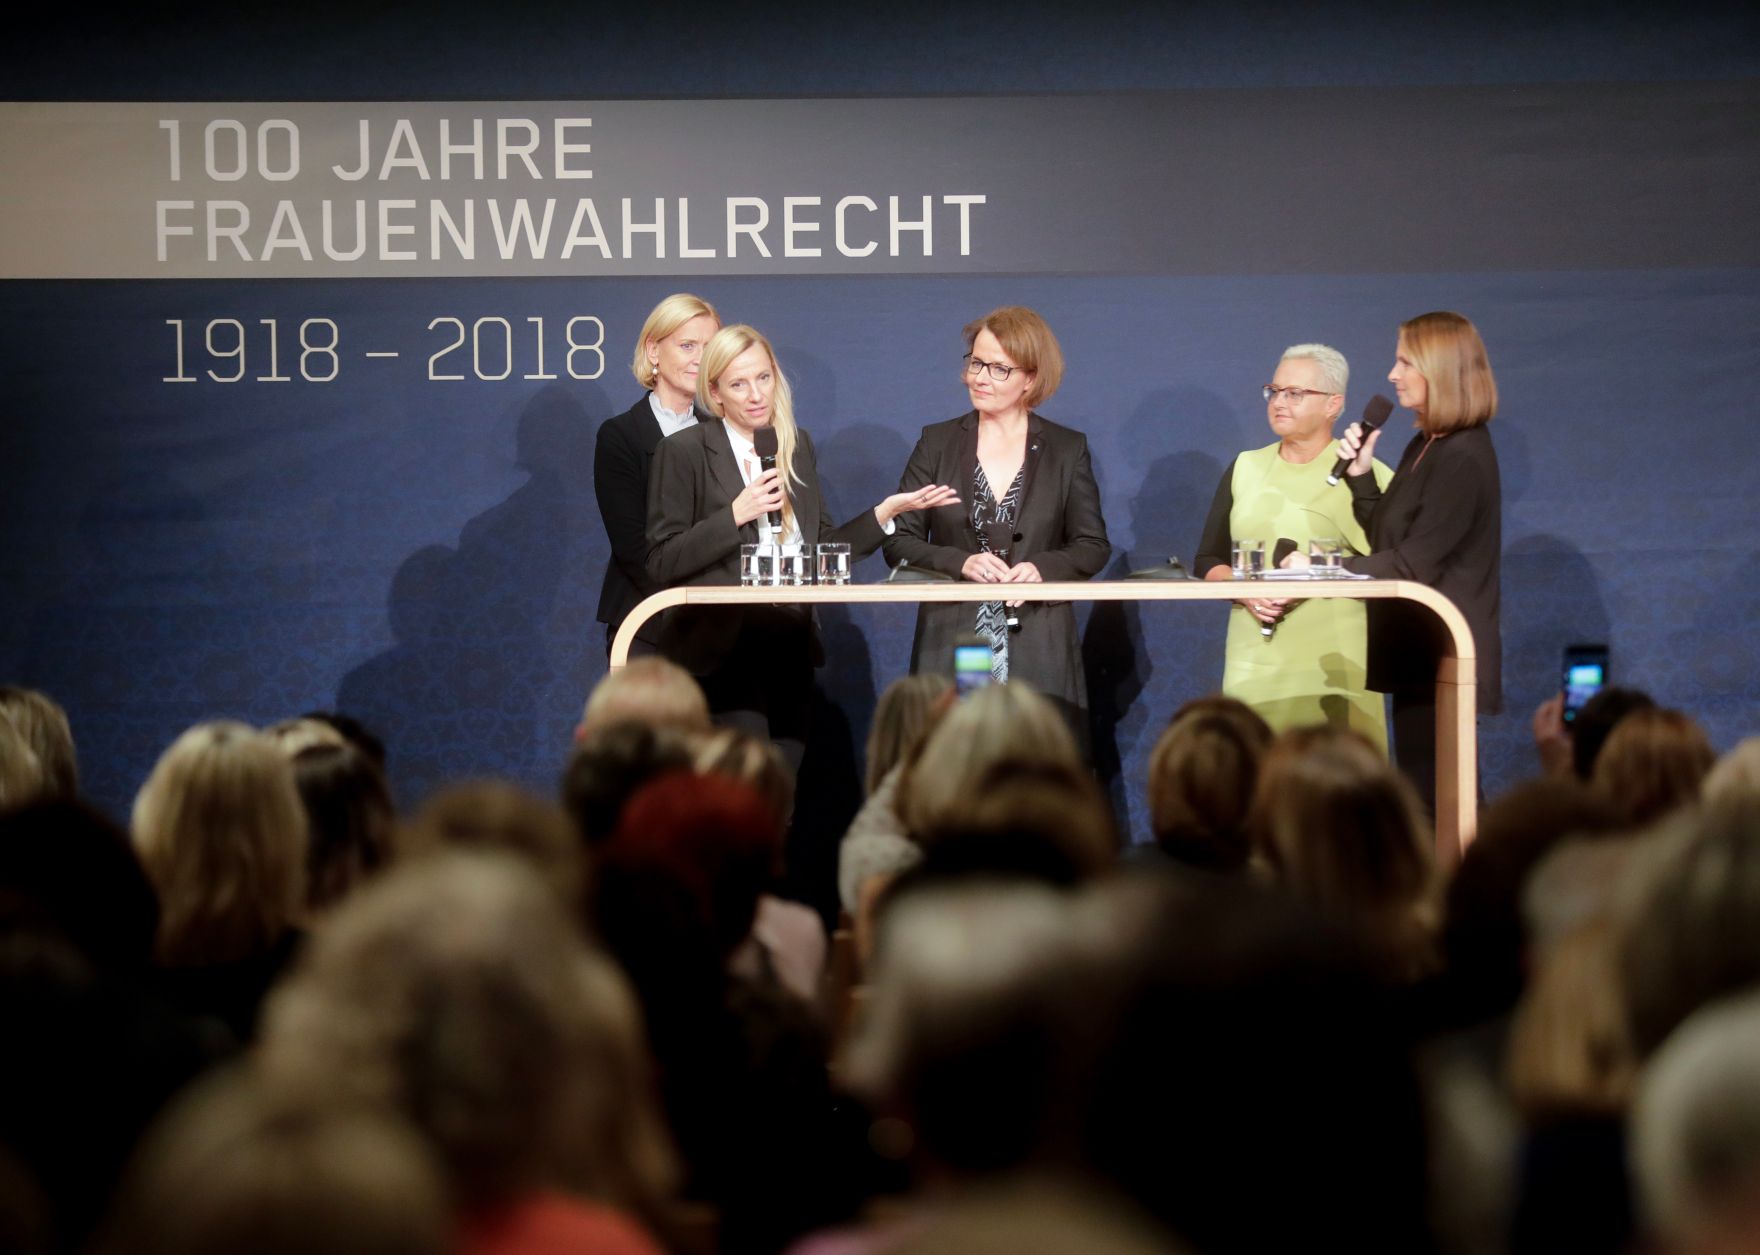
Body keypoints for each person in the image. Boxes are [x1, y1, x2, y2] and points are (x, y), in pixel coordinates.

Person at [645, 323, 957, 771]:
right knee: (744, 800)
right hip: (723, 651)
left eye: (763, 377)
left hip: (790, 645)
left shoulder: (796, 446)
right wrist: (735, 514)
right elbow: (662, 560)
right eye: (738, 384)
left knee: (783, 800)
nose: (755, 394)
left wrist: (883, 514)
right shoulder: (685, 451)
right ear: (715, 394)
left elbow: (821, 550)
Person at [882, 306, 1111, 732]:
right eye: (976, 362)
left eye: (999, 368)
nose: (980, 377)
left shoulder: (1065, 449)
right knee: (962, 762)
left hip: (1037, 639)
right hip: (961, 640)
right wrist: (960, 563)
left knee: (1033, 773)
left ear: (1031, 378)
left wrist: (1042, 568)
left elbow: (1092, 546)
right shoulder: (938, 443)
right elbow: (899, 541)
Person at [1328, 310, 1503, 811]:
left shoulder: (1464, 456)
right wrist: (1361, 474)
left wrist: (1325, 572)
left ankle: (1473, 890)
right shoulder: (1426, 444)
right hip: (1414, 651)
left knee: (1445, 804)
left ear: (1441, 369)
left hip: (1442, 653)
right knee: (1428, 798)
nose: (1392, 374)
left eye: (1405, 361)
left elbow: (1411, 563)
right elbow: (1387, 537)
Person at [1194, 345, 1393, 748]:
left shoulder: (1367, 475)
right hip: (1255, 661)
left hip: (1335, 661)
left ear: (1334, 404)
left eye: (1295, 393)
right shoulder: (1246, 467)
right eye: (1274, 390)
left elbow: (1391, 561)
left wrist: (1315, 574)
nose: (1280, 402)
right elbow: (1207, 559)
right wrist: (1245, 589)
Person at [594, 294, 720, 656]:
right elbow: (633, 548)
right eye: (687, 345)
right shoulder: (622, 435)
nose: (700, 358)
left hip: (720, 627)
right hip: (647, 624)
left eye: (709, 347)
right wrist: (689, 601)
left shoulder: (724, 433)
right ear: (653, 351)